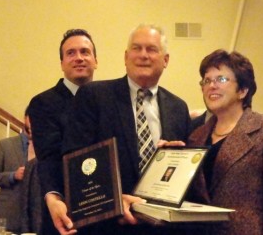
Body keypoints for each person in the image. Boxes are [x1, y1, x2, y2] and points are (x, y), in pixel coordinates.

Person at [45, 24, 193, 235]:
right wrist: (113, 199)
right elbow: (74, 161)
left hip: (159, 228)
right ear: (125, 57)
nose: (143, 55)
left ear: (165, 60)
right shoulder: (93, 96)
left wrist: (175, 159)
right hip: (107, 227)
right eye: (136, 48)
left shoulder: (178, 108)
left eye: (151, 49)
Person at [186, 49, 263, 235]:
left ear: (243, 90)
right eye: (207, 80)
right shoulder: (196, 136)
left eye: (221, 79)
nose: (211, 86)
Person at [28, 28, 97, 235]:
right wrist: (53, 196)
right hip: (65, 214)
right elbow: (48, 158)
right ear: (61, 64)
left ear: (95, 60)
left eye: (85, 52)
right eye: (71, 53)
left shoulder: (108, 101)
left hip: (106, 216)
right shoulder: (43, 103)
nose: (79, 58)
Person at [0, 108, 34, 234]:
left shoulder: (45, 149)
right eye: (32, 117)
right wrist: (13, 176)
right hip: (7, 217)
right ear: (25, 118)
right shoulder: (5, 145)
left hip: (35, 220)